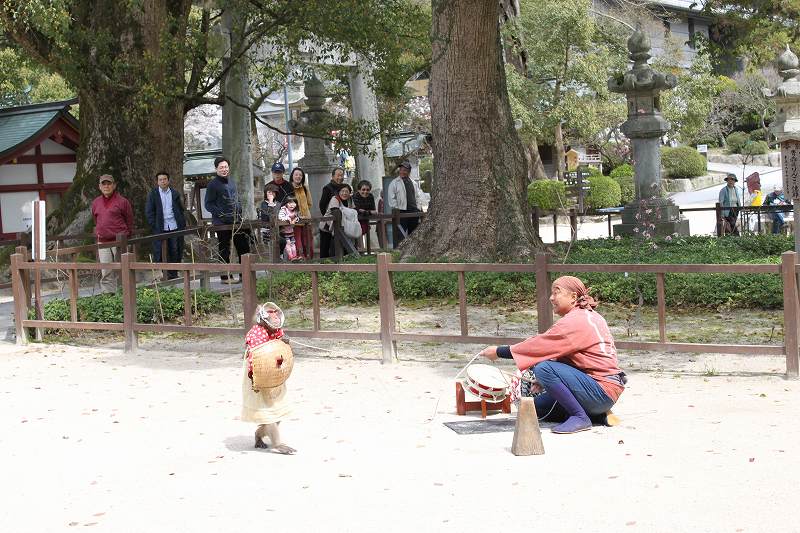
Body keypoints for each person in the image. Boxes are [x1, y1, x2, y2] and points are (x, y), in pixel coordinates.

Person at [479, 276, 625, 434]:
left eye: (556, 293)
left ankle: (580, 417)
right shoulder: (589, 316)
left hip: (600, 391)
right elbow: (574, 359)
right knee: (536, 408)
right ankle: (599, 416)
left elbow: (537, 346)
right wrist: (545, 382)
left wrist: (498, 352)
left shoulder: (576, 320)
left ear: (573, 297)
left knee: (544, 369)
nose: (551, 297)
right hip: (598, 392)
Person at [242, 302, 295, 454]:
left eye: (275, 314)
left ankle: (259, 434)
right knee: (269, 412)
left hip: (273, 373)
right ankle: (278, 443)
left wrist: (285, 341)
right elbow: (255, 357)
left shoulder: (276, 330)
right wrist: (255, 380)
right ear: (263, 319)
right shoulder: (257, 333)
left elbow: (281, 349)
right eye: (271, 315)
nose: (276, 318)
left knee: (278, 412)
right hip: (258, 374)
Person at [204, 156, 250, 283]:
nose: (224, 169)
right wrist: (221, 214)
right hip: (221, 222)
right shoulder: (212, 185)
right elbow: (208, 204)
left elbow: (237, 199)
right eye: (221, 167)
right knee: (224, 248)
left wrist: (239, 209)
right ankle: (225, 276)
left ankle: (244, 274)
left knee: (243, 246)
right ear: (216, 169)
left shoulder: (232, 181)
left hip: (236, 220)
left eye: (226, 167)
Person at [91, 174, 134, 292]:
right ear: (99, 186)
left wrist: (126, 237)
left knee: (122, 269)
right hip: (103, 241)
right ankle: (108, 296)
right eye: (103, 184)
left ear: (114, 185)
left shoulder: (123, 201)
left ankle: (125, 293)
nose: (106, 186)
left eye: (109, 183)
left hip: (119, 241)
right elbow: (96, 220)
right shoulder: (96, 202)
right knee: (106, 270)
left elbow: (129, 220)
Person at [144, 171, 186, 280]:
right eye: (160, 180)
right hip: (160, 226)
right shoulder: (153, 194)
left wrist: (181, 222)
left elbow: (180, 209)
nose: (163, 181)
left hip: (174, 225)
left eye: (165, 179)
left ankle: (174, 272)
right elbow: (149, 212)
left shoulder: (174, 193)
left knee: (175, 249)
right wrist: (154, 225)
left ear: (168, 180)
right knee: (161, 251)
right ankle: (165, 273)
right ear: (157, 182)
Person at [387, 160, 424, 245]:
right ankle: (399, 252)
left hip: (414, 211)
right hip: (401, 212)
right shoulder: (394, 183)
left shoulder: (413, 182)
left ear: (409, 171)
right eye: (401, 169)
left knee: (414, 234)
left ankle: (413, 252)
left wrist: (418, 208)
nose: (402, 172)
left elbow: (417, 197)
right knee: (401, 235)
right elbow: (391, 199)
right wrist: (397, 209)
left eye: (405, 170)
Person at [319, 183, 353, 258]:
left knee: (336, 247)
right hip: (327, 226)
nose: (344, 193)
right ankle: (323, 266)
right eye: (342, 191)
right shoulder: (335, 199)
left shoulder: (350, 200)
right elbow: (336, 213)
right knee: (325, 248)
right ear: (338, 192)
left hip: (339, 227)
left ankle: (338, 262)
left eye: (346, 191)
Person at [289, 167, 313, 259]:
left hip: (306, 220)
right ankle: (300, 264)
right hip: (295, 221)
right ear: (292, 176)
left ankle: (309, 262)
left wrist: (305, 212)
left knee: (309, 244)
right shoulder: (289, 188)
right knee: (298, 243)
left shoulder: (305, 188)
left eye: (300, 175)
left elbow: (309, 203)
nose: (298, 177)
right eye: (296, 174)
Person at [353, 180, 378, 248]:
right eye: (363, 189)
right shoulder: (355, 196)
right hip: (354, 221)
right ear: (358, 190)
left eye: (367, 190)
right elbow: (357, 210)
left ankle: (362, 251)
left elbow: (374, 210)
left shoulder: (370, 196)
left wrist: (364, 211)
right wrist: (368, 212)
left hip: (365, 220)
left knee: (363, 233)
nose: (365, 192)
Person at [258, 183, 280, 248]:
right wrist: (270, 202)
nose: (271, 194)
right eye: (269, 192)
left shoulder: (278, 204)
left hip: (278, 229)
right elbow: (268, 215)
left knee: (281, 243)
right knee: (269, 246)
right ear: (266, 193)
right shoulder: (264, 204)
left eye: (273, 192)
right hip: (267, 229)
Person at [278, 196, 301, 261]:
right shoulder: (284, 210)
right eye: (290, 203)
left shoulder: (295, 211)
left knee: (293, 243)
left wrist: (295, 220)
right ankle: (291, 257)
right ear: (286, 203)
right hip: (284, 231)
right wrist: (288, 219)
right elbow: (280, 217)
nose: (292, 205)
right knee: (288, 243)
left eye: (294, 203)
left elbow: (298, 217)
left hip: (291, 231)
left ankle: (295, 256)